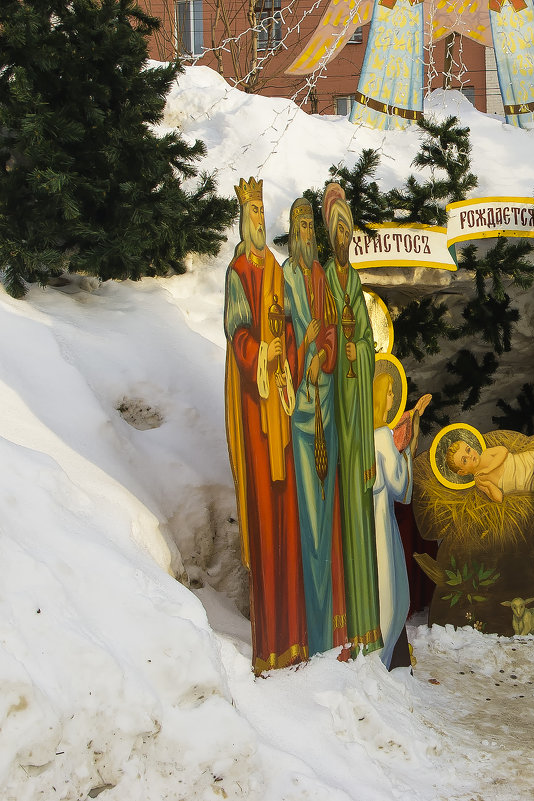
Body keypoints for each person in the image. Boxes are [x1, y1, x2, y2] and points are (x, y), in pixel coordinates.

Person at [223, 178, 307, 674]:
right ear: (242, 217)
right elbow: (238, 332)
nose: (259, 218)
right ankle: (268, 638)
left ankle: (294, 635)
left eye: (262, 211)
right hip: (255, 413)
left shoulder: (275, 270)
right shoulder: (238, 272)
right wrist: (261, 354)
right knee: (263, 504)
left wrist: (290, 352)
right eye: (252, 212)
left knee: (287, 513)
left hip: (281, 405)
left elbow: (290, 329)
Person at [281, 197, 349, 661]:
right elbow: (280, 330)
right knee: (308, 512)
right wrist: (299, 355)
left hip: (323, 397)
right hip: (300, 413)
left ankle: (333, 625)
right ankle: (311, 623)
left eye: (311, 223)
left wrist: (320, 355)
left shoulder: (322, 274)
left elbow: (328, 331)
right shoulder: (285, 276)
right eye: (300, 223)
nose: (307, 230)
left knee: (329, 510)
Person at [323, 183, 383, 657]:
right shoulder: (324, 279)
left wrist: (355, 350)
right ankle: (341, 628)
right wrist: (334, 348)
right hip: (332, 419)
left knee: (360, 519)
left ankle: (366, 627)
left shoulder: (355, 283)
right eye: (337, 231)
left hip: (357, 417)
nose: (343, 238)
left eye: (348, 231)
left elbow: (366, 342)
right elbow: (315, 338)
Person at [371, 374, 430, 669]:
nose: (393, 398)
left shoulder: (360, 434)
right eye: (390, 392)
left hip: (369, 523)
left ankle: (383, 657)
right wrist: (408, 448)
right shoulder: (381, 436)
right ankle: (382, 660)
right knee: (393, 600)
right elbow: (402, 490)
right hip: (381, 524)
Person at [445, 440, 534, 503]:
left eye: (469, 450)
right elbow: (498, 498)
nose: (470, 455)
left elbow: (503, 451)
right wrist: (487, 484)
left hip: (525, 461)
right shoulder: (480, 481)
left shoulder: (487, 453)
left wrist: (489, 468)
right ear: (462, 472)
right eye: (464, 460)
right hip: (525, 481)